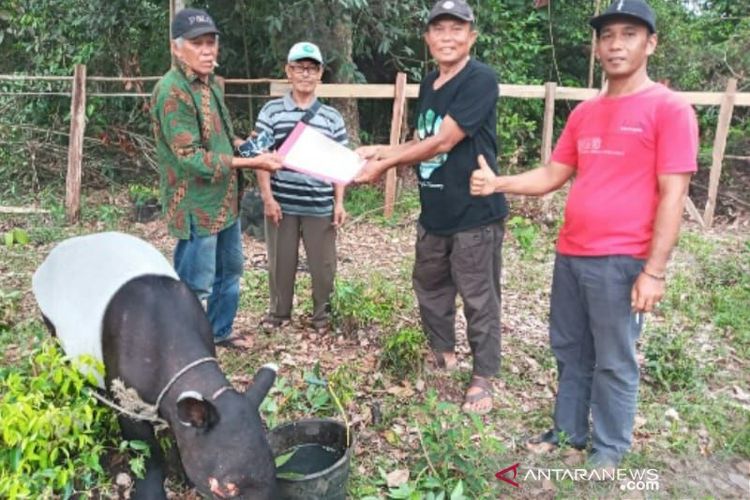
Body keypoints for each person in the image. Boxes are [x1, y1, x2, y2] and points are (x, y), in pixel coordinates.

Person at [470, 0, 698, 466]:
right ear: (596, 46)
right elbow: (554, 173)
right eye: (607, 35)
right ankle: (569, 430)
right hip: (572, 252)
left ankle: (610, 448)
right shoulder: (585, 114)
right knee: (570, 350)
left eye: (629, 34)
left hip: (622, 259)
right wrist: (499, 183)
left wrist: (654, 272)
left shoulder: (669, 109)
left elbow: (672, 195)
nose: (616, 44)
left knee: (614, 358)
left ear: (650, 43)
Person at [355, 0, 508, 414]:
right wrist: (383, 149)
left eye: (457, 29)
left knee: (479, 297)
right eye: (439, 29)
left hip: (475, 212)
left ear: (472, 37)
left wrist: (385, 164)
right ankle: (444, 351)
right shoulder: (428, 83)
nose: (447, 37)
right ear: (427, 38)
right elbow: (424, 137)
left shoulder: (480, 80)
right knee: (430, 285)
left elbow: (443, 141)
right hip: (435, 211)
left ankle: (484, 375)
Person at [151, 8, 281, 345]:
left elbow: (218, 139)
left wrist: (244, 145)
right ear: (176, 48)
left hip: (225, 201)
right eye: (198, 44)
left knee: (230, 273)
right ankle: (185, 346)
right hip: (196, 204)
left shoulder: (209, 85)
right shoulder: (173, 91)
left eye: (212, 42)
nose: (208, 50)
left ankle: (218, 332)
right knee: (195, 283)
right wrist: (251, 164)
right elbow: (190, 156)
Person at [254, 42, 348, 333]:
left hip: (319, 203)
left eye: (312, 68)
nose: (305, 74)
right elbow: (260, 157)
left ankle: (323, 316)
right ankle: (279, 314)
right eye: (299, 67)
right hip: (282, 201)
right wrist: (268, 197)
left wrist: (339, 202)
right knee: (281, 263)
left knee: (323, 266)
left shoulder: (332, 118)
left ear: (320, 74)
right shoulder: (271, 112)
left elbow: (340, 165)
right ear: (288, 71)